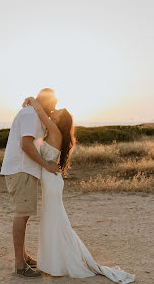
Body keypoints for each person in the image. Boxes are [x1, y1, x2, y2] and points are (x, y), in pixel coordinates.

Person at [21, 96, 136, 283]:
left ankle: (58, 264)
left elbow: (41, 113)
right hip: (50, 180)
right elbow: (40, 140)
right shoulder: (53, 132)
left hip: (51, 181)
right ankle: (53, 263)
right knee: (52, 219)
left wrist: (33, 100)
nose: (53, 111)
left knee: (54, 220)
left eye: (57, 112)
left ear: (59, 120)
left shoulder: (55, 130)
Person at [0, 88, 59, 278]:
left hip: (24, 169)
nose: (53, 109)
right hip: (21, 169)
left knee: (24, 214)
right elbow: (26, 145)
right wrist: (46, 166)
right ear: (46, 102)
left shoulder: (34, 113)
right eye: (53, 105)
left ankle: (24, 257)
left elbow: (35, 143)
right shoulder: (31, 115)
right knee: (22, 214)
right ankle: (19, 265)